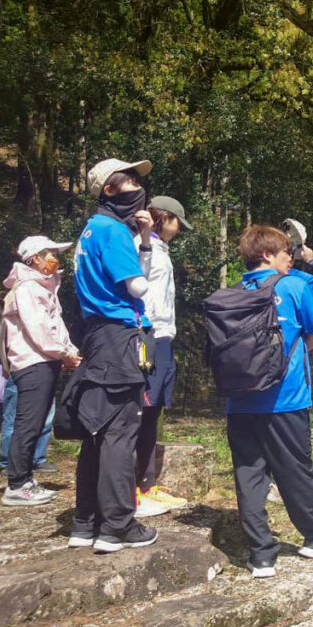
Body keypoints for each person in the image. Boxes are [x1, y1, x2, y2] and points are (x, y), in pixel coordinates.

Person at [225, 225, 313, 578]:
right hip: (285, 398)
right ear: (266, 255)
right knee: (294, 469)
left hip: (239, 400)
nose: (289, 258)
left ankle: (261, 554)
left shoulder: (231, 293)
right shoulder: (292, 286)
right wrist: (282, 361)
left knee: (249, 474)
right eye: (283, 253)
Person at [66, 158, 159, 551]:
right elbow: (137, 287)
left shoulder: (89, 230)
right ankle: (119, 526)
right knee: (121, 433)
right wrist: (143, 248)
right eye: (131, 181)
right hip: (120, 337)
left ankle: (85, 524)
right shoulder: (112, 230)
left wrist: (142, 239)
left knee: (96, 431)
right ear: (108, 190)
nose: (138, 187)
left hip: (95, 336)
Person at [0, 236, 81, 506]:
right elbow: (39, 331)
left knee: (34, 422)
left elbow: (55, 325)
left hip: (44, 361)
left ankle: (24, 478)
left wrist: (68, 349)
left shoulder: (42, 287)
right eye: (50, 253)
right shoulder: (27, 289)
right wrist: (63, 353)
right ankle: (17, 485)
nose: (54, 258)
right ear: (34, 258)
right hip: (32, 363)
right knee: (28, 423)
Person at [133, 196, 193, 519]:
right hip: (147, 336)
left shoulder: (162, 250)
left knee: (154, 409)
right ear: (164, 218)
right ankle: (131, 490)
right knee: (141, 409)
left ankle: (147, 484)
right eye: (177, 223)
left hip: (163, 337)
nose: (179, 230)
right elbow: (136, 289)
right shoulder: (141, 245)